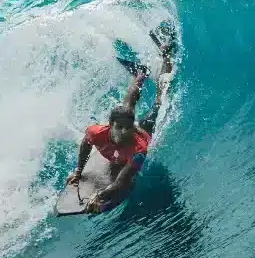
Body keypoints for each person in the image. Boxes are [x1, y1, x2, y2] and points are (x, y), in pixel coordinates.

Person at [67, 41, 175, 213]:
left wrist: (100, 196)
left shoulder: (139, 150)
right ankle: (141, 73)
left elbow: (122, 182)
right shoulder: (96, 132)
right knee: (127, 105)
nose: (125, 132)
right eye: (120, 128)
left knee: (159, 102)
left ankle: (166, 57)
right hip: (118, 129)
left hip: (144, 131)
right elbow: (86, 143)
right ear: (110, 126)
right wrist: (78, 171)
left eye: (128, 127)